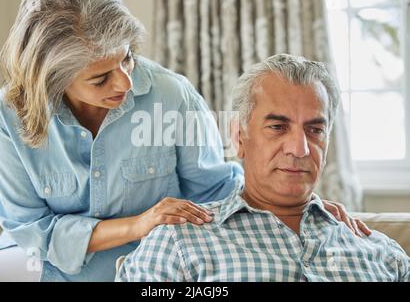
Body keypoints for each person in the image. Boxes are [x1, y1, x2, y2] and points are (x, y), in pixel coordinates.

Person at [0, 0, 367, 282]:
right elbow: (31, 230)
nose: (123, 83)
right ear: (53, 79)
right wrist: (139, 222)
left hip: (150, 269)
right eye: (101, 79)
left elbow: (216, 188)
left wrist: (299, 207)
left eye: (128, 59)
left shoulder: (170, 94)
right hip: (45, 266)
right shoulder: (7, 115)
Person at [116, 54, 408, 282]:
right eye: (278, 127)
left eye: (315, 130)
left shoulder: (382, 253)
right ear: (239, 138)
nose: (300, 148)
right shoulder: (179, 243)